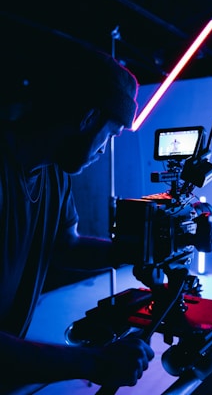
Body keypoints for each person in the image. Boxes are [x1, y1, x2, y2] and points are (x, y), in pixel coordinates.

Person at [0, 49, 155, 392]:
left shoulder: (55, 173)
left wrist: (134, 250)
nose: (103, 151)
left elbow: (64, 247)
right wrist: (95, 362)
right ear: (87, 118)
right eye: (110, 135)